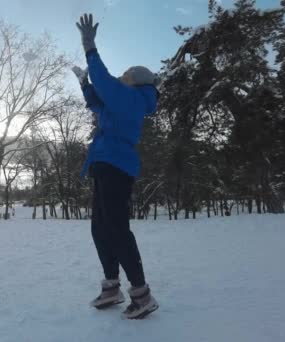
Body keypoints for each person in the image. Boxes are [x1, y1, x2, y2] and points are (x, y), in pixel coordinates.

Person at [73, 13, 159, 319]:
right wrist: (85, 85)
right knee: (100, 229)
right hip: (103, 163)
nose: (123, 77)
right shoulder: (124, 100)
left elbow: (106, 84)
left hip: (116, 166)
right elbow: (99, 102)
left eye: (127, 75)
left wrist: (89, 47)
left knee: (118, 230)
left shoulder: (134, 98)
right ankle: (112, 286)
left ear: (136, 81)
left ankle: (142, 294)